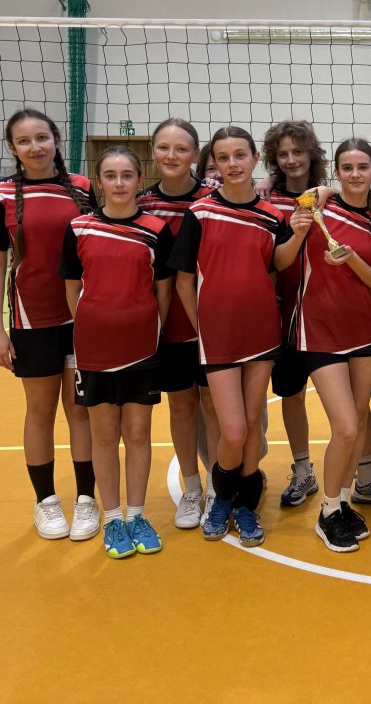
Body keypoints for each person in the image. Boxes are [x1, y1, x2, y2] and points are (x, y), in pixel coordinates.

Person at [169, 126, 309, 547]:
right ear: (214, 163)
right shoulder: (200, 213)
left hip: (261, 332)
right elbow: (183, 281)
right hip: (218, 337)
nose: (232, 164)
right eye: (224, 158)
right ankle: (223, 497)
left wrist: (299, 232)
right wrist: (202, 326)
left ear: (254, 159)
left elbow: (279, 262)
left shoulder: (270, 215)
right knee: (231, 431)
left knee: (250, 426)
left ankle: (245, 506)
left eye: (240, 155)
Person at [0, 108, 99, 542]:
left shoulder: (83, 188)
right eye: (24, 141)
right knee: (41, 411)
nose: (35, 147)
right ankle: (46, 502)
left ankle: (86, 499)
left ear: (56, 140)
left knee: (80, 411)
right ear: (13, 148)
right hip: (33, 320)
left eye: (42, 138)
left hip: (82, 317)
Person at [62, 147, 175, 558]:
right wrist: (94, 325)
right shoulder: (79, 228)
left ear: (140, 180)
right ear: (99, 181)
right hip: (94, 349)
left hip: (141, 347)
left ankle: (137, 515)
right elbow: (72, 289)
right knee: (104, 435)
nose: (119, 182)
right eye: (110, 175)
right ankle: (112, 519)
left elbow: (163, 292)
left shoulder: (156, 230)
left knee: (139, 433)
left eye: (127, 175)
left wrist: (145, 328)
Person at [290, 139, 371, 553]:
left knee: (359, 421)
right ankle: (328, 511)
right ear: (336, 172)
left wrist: (351, 259)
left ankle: (344, 501)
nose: (355, 174)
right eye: (346, 167)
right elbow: (302, 199)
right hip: (319, 330)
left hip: (364, 330)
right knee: (346, 427)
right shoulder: (317, 210)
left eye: (362, 167)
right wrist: (323, 192)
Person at [137, 118, 214, 531]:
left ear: (195, 154)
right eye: (164, 148)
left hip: (211, 323)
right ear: (153, 152)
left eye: (181, 148)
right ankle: (192, 488)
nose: (172, 156)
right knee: (181, 405)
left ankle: (219, 485)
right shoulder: (141, 204)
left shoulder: (213, 198)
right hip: (167, 325)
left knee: (214, 405)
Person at [262, 120, 328, 508]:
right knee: (292, 394)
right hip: (283, 315)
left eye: (298, 152)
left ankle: (364, 470)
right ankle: (303, 470)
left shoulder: (329, 198)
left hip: (325, 315)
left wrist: (326, 191)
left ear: (311, 154)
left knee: (348, 399)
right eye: (283, 154)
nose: (291, 160)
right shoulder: (267, 201)